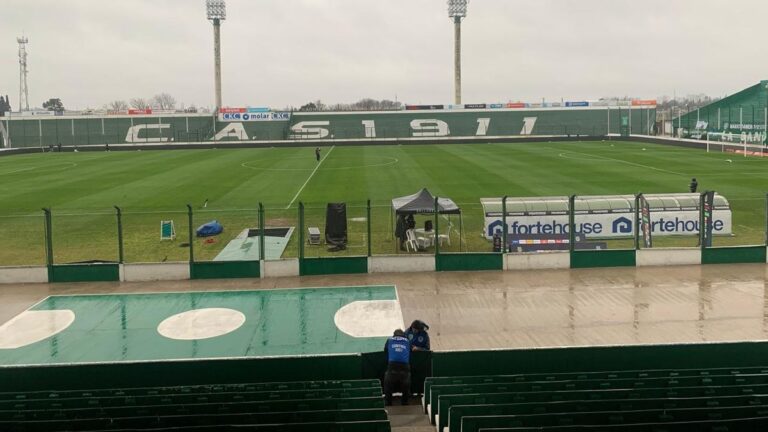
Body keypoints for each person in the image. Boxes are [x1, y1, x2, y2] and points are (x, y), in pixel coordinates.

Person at [383, 329, 411, 406]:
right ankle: (405, 402)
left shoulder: (389, 340)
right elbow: (410, 350)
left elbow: (385, 350)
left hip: (392, 364)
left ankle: (388, 402)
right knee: (406, 384)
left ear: (394, 335)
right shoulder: (407, 341)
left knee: (388, 383)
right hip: (404, 365)